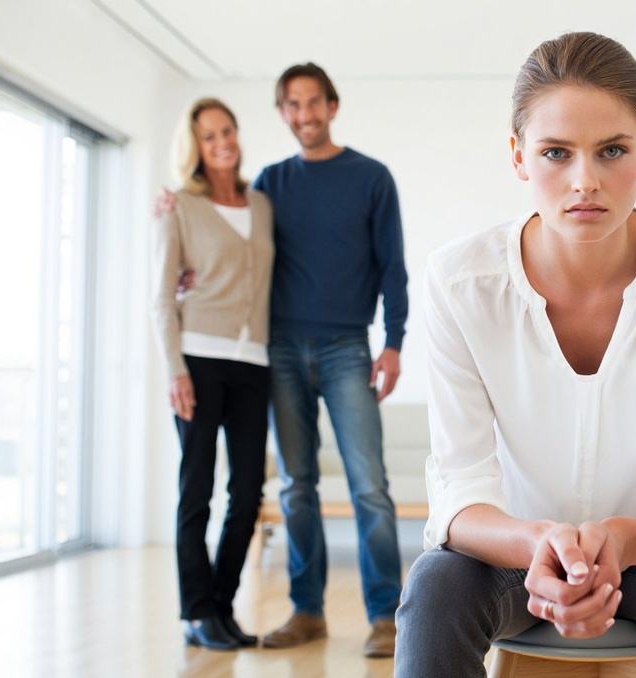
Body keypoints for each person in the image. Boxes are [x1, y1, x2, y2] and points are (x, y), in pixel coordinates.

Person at [394, 32, 636, 677]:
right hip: (515, 556)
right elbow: (460, 491)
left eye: (612, 150)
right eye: (555, 152)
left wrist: (623, 539)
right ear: (519, 156)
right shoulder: (459, 281)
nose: (585, 182)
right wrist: (539, 542)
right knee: (436, 587)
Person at [253, 63, 408, 656]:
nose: (304, 115)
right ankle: (307, 612)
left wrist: (393, 342)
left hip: (348, 348)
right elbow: (236, 248)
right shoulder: (269, 183)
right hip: (280, 348)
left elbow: (393, 266)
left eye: (313, 102)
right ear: (283, 113)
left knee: (370, 487)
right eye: (292, 105)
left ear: (332, 106)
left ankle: (386, 617)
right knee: (296, 487)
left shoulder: (371, 177)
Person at [150, 98, 274, 651]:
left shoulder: (262, 204)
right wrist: (173, 369)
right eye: (209, 136)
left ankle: (221, 607)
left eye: (227, 131)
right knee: (196, 489)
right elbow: (160, 296)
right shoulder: (178, 205)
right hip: (197, 359)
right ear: (196, 147)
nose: (221, 142)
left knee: (247, 492)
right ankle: (196, 612)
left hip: (253, 363)